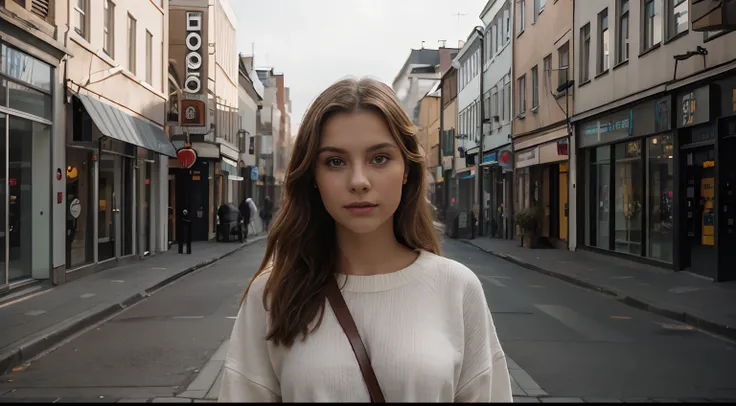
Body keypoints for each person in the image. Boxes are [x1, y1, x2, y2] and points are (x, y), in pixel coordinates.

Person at [219, 78, 512, 402]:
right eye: (335, 161)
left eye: (379, 158)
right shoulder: (274, 294)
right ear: (313, 176)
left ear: (406, 170)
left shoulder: (456, 288)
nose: (358, 181)